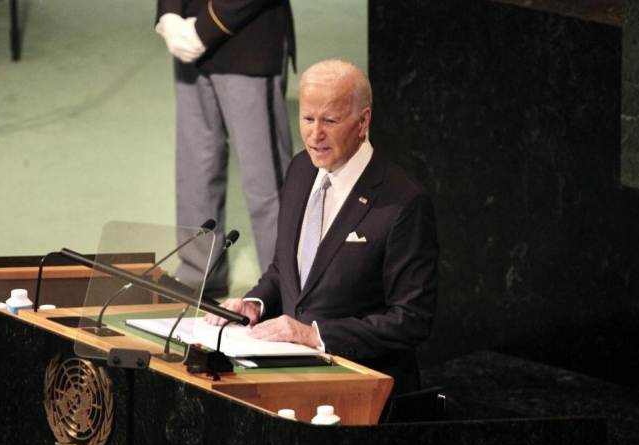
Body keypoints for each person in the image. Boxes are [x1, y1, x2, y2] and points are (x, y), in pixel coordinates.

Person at [206, 60, 439, 395]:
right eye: (307, 118)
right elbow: (284, 269)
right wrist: (253, 305)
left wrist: (315, 334)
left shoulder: (403, 201)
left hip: (363, 389)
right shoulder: (301, 169)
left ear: (363, 122)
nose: (315, 135)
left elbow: (411, 319)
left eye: (330, 120)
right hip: (289, 381)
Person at [154, 0, 296, 296]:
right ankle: (200, 270)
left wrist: (204, 29)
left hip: (247, 41)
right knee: (196, 169)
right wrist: (169, 15)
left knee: (266, 182)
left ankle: (283, 286)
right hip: (188, 44)